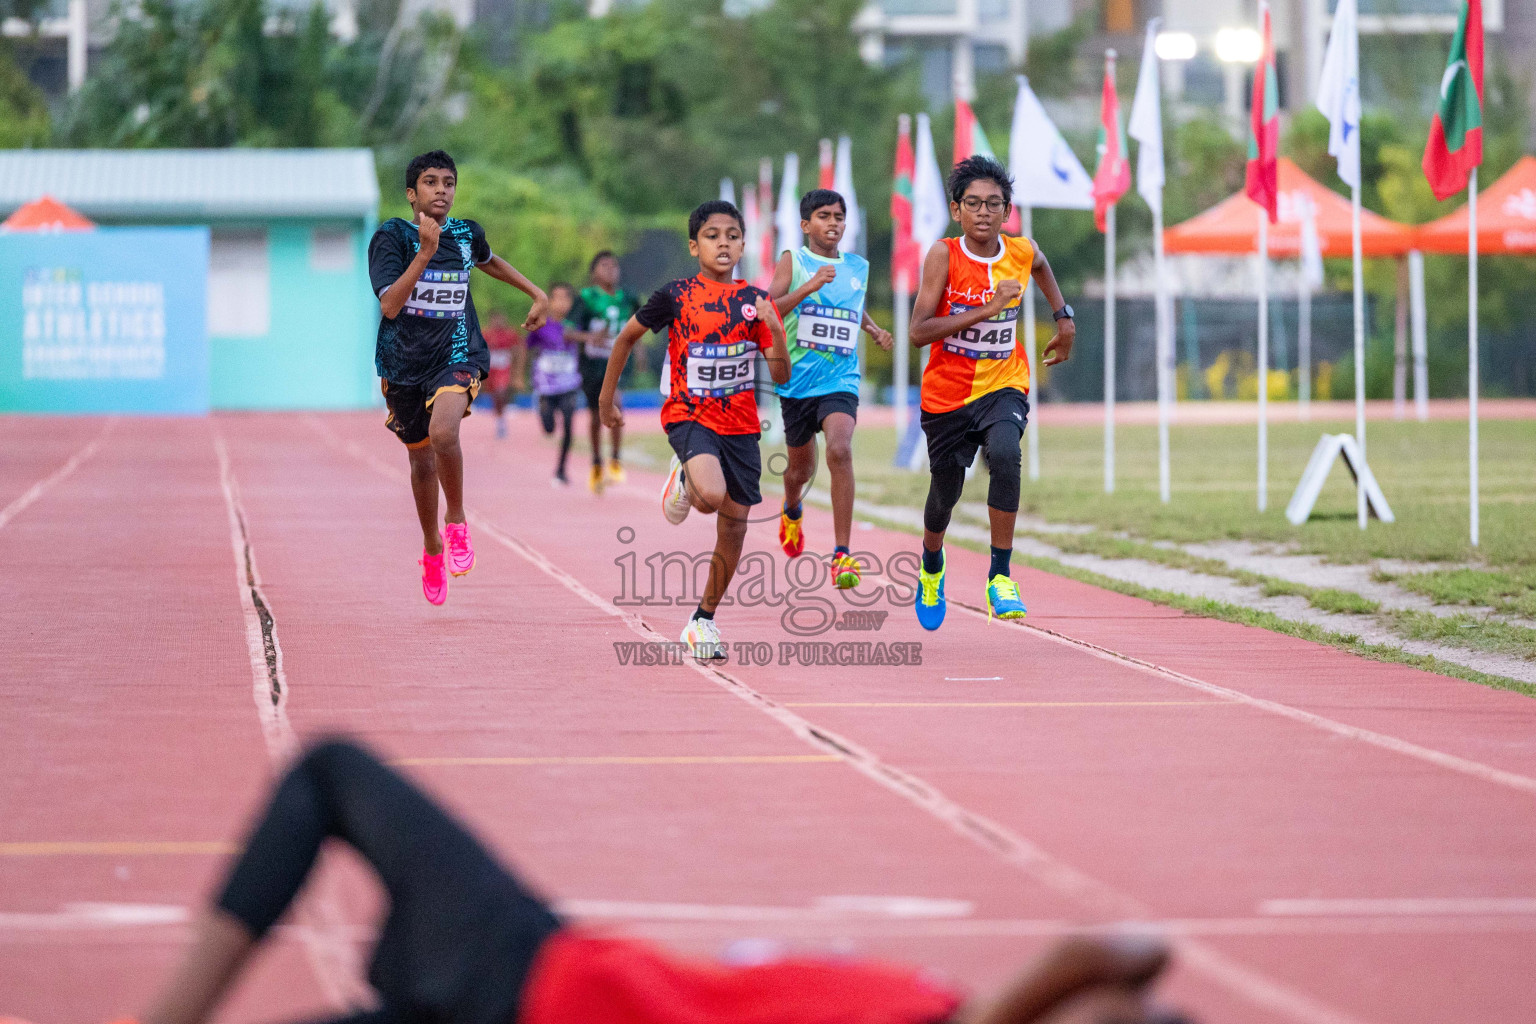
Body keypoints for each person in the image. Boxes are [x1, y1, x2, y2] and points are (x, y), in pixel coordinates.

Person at [122, 739, 1191, 1024]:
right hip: (539, 995)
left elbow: (1102, 952)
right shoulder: (942, 1005)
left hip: (533, 978)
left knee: (332, 772)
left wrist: (1138, 984)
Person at [597, 200, 791, 662]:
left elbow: (780, 376)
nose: (723, 242)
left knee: (735, 526)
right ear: (693, 245)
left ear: (743, 243)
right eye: (712, 235)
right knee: (709, 495)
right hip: (689, 414)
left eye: (731, 235)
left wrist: (774, 330)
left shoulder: (756, 302)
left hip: (741, 426)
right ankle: (685, 477)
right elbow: (625, 339)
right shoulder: (676, 295)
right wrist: (607, 399)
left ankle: (703, 620)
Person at [369, 150, 549, 606]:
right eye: (431, 182)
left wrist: (534, 291)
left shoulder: (467, 233)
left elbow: (489, 260)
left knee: (444, 432)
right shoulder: (391, 237)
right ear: (412, 194)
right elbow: (390, 305)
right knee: (421, 462)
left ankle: (458, 520)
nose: (442, 190)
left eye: (448, 182)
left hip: (456, 353)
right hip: (404, 365)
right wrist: (425, 252)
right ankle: (432, 547)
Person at [907, 156, 1075, 630]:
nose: (984, 213)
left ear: (1007, 211)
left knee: (1005, 454)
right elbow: (919, 332)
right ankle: (932, 563)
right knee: (946, 490)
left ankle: (1000, 575)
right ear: (956, 210)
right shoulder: (944, 255)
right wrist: (987, 309)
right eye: (973, 204)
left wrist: (1065, 320)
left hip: (1004, 381)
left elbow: (1041, 265)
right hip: (947, 394)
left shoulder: (1021, 252)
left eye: (994, 204)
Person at [768, 188, 894, 590]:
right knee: (800, 470)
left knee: (840, 450)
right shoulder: (795, 261)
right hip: (796, 383)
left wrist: (872, 328)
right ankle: (791, 509)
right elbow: (766, 311)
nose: (834, 223)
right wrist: (807, 287)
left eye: (839, 216)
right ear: (806, 225)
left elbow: (850, 306)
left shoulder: (857, 265)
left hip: (839, 379)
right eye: (824, 216)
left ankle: (842, 554)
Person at [566, 251, 641, 494]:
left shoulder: (628, 297)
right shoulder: (586, 298)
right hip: (592, 365)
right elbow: (567, 332)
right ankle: (597, 460)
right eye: (604, 265)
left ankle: (616, 459)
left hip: (616, 362)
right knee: (596, 415)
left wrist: (638, 350)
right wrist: (590, 337)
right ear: (593, 272)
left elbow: (640, 322)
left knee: (615, 402)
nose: (611, 269)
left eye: (614, 265)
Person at [512, 283, 583, 487]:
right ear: (549, 301)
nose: (561, 303)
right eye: (557, 298)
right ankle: (546, 417)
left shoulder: (575, 325)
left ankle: (561, 469)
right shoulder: (542, 324)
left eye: (566, 298)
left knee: (569, 424)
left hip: (569, 383)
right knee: (549, 428)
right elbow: (525, 349)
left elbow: (586, 343)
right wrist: (519, 375)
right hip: (546, 385)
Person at [483, 311, 522, 440]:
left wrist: (517, 374)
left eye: (501, 320)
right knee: (495, 396)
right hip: (490, 370)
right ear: (491, 320)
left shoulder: (511, 334)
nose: (498, 322)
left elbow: (519, 351)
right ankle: (500, 419)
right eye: (495, 320)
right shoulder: (486, 334)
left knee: (501, 392)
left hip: (504, 369)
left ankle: (502, 419)